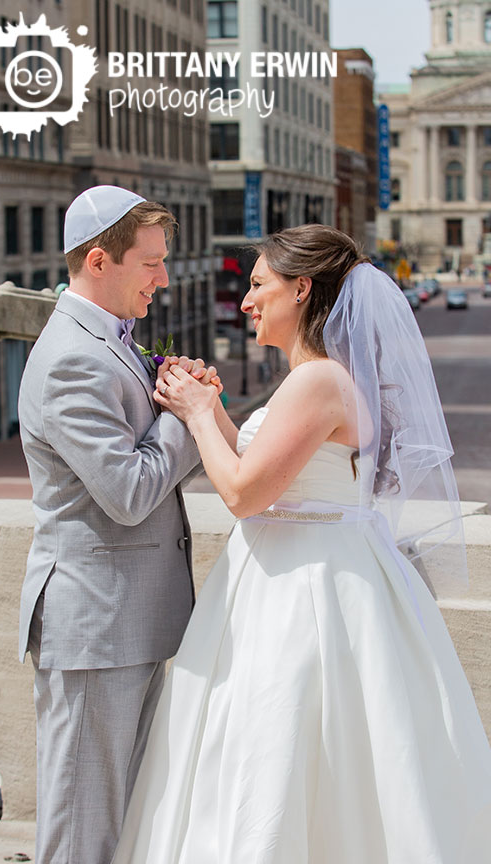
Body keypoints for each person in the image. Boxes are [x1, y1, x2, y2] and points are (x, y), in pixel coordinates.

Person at [116, 225, 491, 861]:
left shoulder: (317, 381)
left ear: (303, 288)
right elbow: (267, 468)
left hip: (302, 588)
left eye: (259, 284)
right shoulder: (324, 379)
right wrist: (208, 407)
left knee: (281, 745)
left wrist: (199, 414)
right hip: (302, 563)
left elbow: (242, 495)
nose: (246, 301)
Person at [17, 185, 220, 864]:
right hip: (95, 627)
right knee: (82, 834)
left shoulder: (108, 340)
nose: (163, 277)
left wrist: (169, 393)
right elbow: (130, 493)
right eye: (152, 263)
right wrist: (185, 414)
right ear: (99, 261)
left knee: (117, 826)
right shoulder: (73, 357)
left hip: (122, 624)